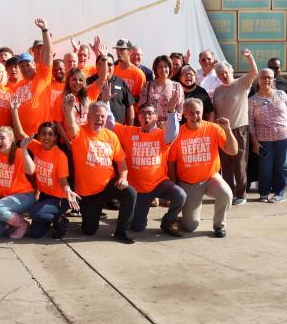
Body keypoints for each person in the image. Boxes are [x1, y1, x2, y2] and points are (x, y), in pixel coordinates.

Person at [107, 90, 186, 237]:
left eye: (150, 113)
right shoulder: (129, 132)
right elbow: (109, 124)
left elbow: (173, 133)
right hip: (138, 190)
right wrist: (106, 102)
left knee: (180, 195)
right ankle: (133, 214)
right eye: (143, 113)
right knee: (137, 227)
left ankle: (168, 221)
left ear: (156, 117)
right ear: (138, 117)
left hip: (159, 184)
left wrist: (171, 111)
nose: (146, 116)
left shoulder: (162, 135)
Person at [62, 95, 136, 244]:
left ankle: (122, 231)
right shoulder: (80, 132)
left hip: (108, 184)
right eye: (96, 116)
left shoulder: (111, 136)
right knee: (89, 230)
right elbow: (70, 126)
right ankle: (87, 215)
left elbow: (122, 164)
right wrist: (69, 111)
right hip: (88, 193)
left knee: (130, 193)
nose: (100, 119)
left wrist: (123, 178)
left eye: (103, 116)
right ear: (88, 117)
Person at [167, 98, 238, 238]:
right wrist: (173, 187)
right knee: (190, 226)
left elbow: (233, 151)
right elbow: (171, 163)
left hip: (210, 177)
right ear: (185, 114)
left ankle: (219, 225)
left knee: (226, 194)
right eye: (191, 113)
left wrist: (228, 130)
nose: (195, 116)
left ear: (203, 113)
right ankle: (185, 219)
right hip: (188, 183)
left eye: (198, 112)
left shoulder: (213, 128)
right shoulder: (178, 134)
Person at [12, 100, 75, 239]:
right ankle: (52, 220)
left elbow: (63, 180)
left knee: (34, 212)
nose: (46, 137)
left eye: (50, 134)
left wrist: (68, 190)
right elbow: (20, 134)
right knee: (35, 233)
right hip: (45, 196)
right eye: (43, 134)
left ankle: (59, 220)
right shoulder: (37, 147)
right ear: (39, 136)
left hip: (60, 198)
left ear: (55, 138)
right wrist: (15, 110)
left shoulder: (60, 156)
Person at [248, 69, 287, 203]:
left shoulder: (281, 94)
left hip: (284, 137)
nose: (266, 80)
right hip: (263, 140)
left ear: (273, 80)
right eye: (263, 77)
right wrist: (254, 142)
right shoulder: (252, 100)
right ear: (258, 80)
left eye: (269, 77)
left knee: (282, 166)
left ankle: (279, 193)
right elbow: (250, 124)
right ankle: (264, 193)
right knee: (265, 167)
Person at [212, 49, 257, 205]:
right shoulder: (217, 90)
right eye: (220, 74)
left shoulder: (242, 83)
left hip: (239, 129)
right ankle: (229, 193)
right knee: (226, 165)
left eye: (225, 72)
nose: (223, 76)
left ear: (231, 71)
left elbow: (254, 72)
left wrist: (249, 57)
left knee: (239, 164)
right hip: (222, 131)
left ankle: (241, 195)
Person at [0, 127, 36, 239]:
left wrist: (24, 149)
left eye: (2, 138)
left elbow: (31, 170)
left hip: (24, 195)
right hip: (5, 198)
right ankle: (10, 221)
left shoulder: (19, 152)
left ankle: (22, 225)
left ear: (11, 139)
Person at [13, 18, 54, 136]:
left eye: (27, 65)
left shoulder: (42, 75)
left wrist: (45, 30)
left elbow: (49, 53)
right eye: (22, 66)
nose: (25, 68)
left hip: (42, 135)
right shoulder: (18, 86)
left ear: (34, 64)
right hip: (23, 137)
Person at [86, 54, 135, 125]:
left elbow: (129, 105)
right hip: (96, 129)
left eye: (109, 64)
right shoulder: (88, 82)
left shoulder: (121, 82)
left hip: (117, 130)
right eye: (102, 64)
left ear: (114, 67)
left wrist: (131, 127)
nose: (106, 67)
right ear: (96, 66)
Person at [139, 55, 184, 123]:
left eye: (166, 66)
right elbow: (142, 107)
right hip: (151, 126)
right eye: (160, 67)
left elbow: (180, 109)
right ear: (155, 69)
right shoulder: (148, 86)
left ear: (170, 68)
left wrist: (170, 123)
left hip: (170, 127)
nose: (163, 69)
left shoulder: (177, 87)